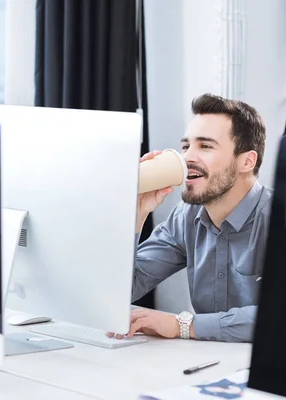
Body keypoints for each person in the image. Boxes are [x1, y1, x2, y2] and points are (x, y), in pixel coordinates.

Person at [110, 93, 273, 343]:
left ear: (246, 161)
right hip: (207, 365)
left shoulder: (281, 221)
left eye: (205, 146)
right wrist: (137, 214)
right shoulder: (187, 216)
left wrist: (182, 325)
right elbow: (122, 289)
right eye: (186, 146)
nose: (187, 158)